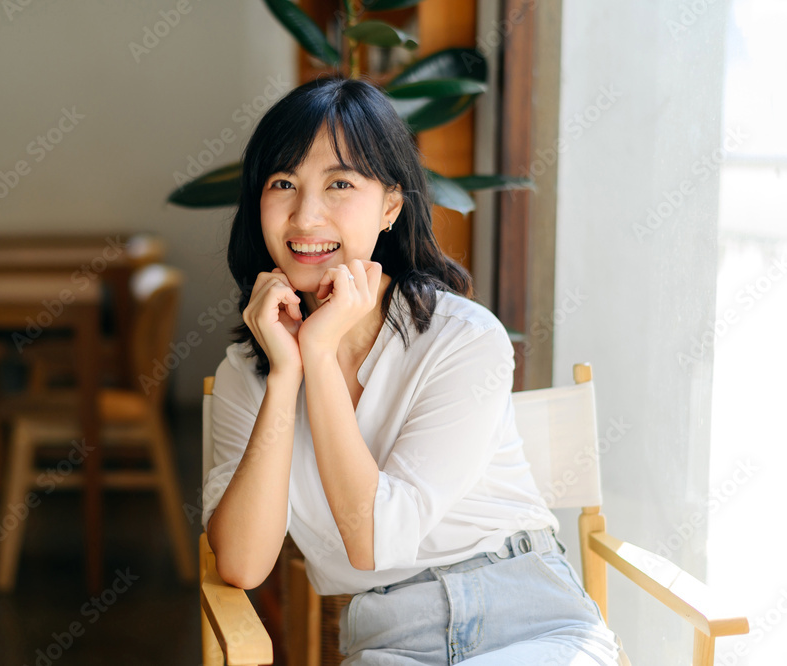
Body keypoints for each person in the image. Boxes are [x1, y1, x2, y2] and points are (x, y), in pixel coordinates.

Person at [201, 76, 621, 665]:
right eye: (283, 183)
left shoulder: (462, 338)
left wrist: (320, 354)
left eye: (340, 182)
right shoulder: (250, 372)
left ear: (391, 205)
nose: (306, 214)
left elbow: (376, 538)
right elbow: (242, 564)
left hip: (529, 622)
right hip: (390, 639)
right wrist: (287, 373)